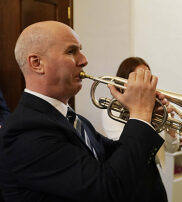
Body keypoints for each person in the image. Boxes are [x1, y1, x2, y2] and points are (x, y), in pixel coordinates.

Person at [0, 21, 168, 202]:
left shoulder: (71, 118)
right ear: (37, 63)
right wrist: (140, 114)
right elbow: (107, 189)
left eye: (80, 50)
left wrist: (147, 118)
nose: (84, 60)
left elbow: (116, 156)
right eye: (71, 51)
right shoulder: (24, 131)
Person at [100, 57, 179, 154]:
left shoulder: (156, 104)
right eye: (140, 79)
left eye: (147, 78)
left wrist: (169, 126)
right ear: (124, 81)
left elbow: (172, 149)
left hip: (157, 169)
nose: (145, 84)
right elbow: (130, 153)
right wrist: (148, 118)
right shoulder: (112, 109)